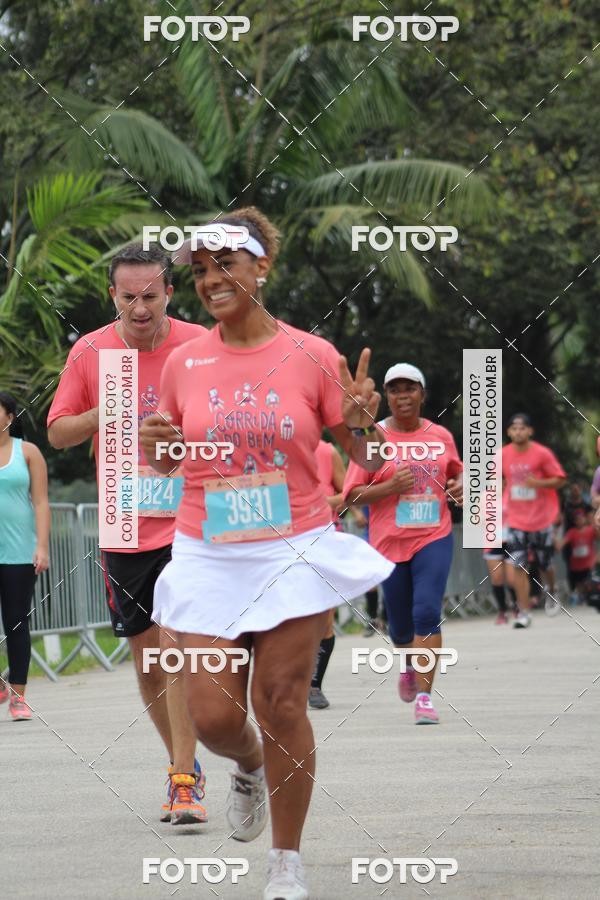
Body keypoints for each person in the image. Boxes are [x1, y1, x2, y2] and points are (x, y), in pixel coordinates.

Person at [139, 207, 393, 900]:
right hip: (208, 552)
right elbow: (164, 457)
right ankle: (247, 765)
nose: (211, 279)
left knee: (282, 702)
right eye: (199, 270)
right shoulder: (186, 361)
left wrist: (367, 427)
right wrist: (158, 451)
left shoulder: (313, 355)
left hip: (293, 546)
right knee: (218, 716)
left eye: (225, 264)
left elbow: (363, 454)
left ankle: (286, 860)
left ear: (261, 266)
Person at [47, 244, 208, 825]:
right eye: (128, 297)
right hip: (124, 522)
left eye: (151, 295)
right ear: (111, 295)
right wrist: (107, 412)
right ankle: (181, 763)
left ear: (170, 292)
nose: (140, 309)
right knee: (147, 664)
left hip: (190, 522)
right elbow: (60, 433)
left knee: (176, 649)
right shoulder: (91, 351)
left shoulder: (196, 346)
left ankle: (184, 780)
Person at [343, 363, 463, 725]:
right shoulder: (372, 436)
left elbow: (456, 475)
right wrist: (389, 488)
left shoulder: (440, 435)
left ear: (422, 394)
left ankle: (425, 697)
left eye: (410, 388)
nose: (403, 396)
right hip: (387, 542)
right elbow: (350, 495)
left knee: (426, 612)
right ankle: (408, 662)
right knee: (399, 627)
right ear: (387, 397)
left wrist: (460, 488)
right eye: (395, 390)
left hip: (433, 536)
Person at [0, 392, 50, 721]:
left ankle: (18, 696)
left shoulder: (27, 452)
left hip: (19, 553)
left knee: (16, 622)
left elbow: (42, 502)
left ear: (9, 416)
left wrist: (42, 546)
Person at [309, 439, 367, 710]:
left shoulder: (327, 450)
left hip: (325, 537)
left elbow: (347, 493)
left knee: (325, 618)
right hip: (281, 539)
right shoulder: (272, 450)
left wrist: (324, 502)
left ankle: (315, 685)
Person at [502, 413, 567, 628]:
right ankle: (524, 611)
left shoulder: (542, 454)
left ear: (530, 431)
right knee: (519, 565)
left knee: (545, 562)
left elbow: (560, 480)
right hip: (516, 519)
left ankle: (552, 590)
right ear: (509, 432)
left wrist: (538, 484)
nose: (518, 431)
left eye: (523, 428)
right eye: (514, 428)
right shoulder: (502, 455)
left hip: (541, 518)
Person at [483, 496, 518, 624]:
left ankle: (517, 607)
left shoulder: (511, 494)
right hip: (492, 541)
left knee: (512, 579)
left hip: (511, 541)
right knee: (497, 578)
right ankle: (502, 611)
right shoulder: (484, 498)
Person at [561, 508, 596, 605]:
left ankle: (587, 597)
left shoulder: (590, 530)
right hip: (576, 565)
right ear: (574, 521)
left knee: (587, 581)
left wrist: (594, 521)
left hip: (588, 564)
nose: (579, 521)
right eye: (577, 519)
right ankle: (580, 597)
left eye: (581, 518)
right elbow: (561, 544)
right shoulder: (572, 532)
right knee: (577, 584)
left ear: (584, 519)